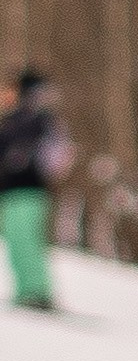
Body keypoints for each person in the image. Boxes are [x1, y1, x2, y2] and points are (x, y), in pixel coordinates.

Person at [0, 69, 70, 308]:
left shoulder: (40, 121)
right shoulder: (10, 121)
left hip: (29, 190)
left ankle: (37, 291)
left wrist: (30, 161)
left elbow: (59, 157)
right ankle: (25, 290)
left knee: (28, 239)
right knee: (14, 240)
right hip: (8, 191)